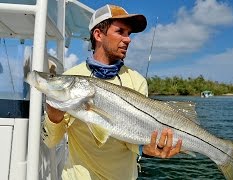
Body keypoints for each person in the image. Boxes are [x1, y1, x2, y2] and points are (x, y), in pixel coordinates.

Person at [42, 4, 182, 180]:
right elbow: (51, 141)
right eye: (120, 31)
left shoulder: (137, 80)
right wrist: (54, 117)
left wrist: (145, 149)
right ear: (98, 35)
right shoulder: (71, 78)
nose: (128, 39)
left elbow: (131, 135)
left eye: (128, 34)